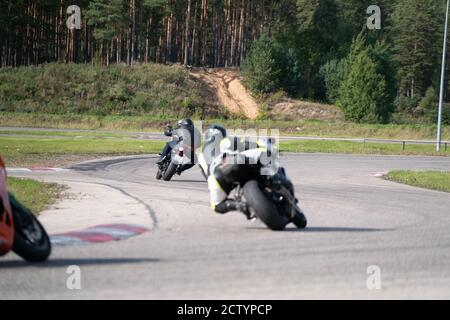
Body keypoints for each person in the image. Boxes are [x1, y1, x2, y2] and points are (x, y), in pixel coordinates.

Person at [203, 127, 274, 217]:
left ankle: (239, 206)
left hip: (217, 175)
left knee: (216, 205)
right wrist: (265, 143)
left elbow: (208, 175)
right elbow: (248, 144)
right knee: (265, 153)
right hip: (236, 162)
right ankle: (273, 180)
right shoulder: (226, 141)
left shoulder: (203, 154)